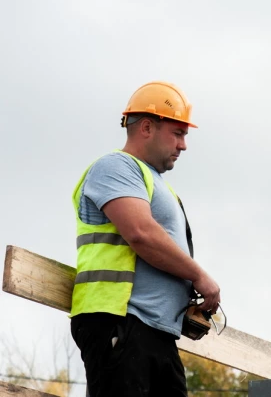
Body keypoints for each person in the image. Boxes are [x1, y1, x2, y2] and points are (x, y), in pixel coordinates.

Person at [69, 81, 221, 396]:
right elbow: (141, 234)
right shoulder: (115, 167)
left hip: (156, 331)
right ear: (148, 127)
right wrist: (197, 275)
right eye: (178, 134)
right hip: (121, 320)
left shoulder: (156, 183)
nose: (183, 145)